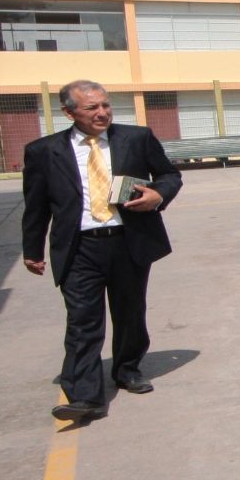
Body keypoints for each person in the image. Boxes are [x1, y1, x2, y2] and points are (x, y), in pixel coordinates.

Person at [22, 80, 182, 423]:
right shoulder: (43, 151)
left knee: (129, 312)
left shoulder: (136, 138)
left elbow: (169, 175)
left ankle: (127, 369)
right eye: (92, 107)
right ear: (69, 112)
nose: (102, 112)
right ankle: (83, 395)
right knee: (82, 321)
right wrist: (31, 249)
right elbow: (35, 206)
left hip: (127, 240)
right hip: (79, 246)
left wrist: (158, 196)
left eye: (106, 105)